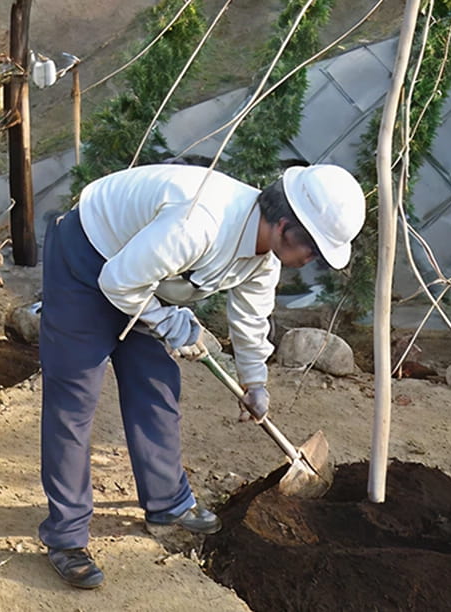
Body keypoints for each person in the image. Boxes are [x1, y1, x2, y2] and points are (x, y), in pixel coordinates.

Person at [37, 162, 365, 589]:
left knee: (156, 388)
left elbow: (250, 319)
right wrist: (172, 324)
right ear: (285, 227)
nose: (313, 261)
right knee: (74, 401)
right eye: (315, 251)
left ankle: (167, 502)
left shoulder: (262, 259)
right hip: (89, 257)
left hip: (143, 275)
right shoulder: (201, 222)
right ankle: (66, 536)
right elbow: (117, 281)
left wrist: (254, 382)